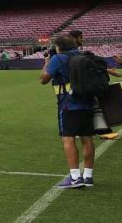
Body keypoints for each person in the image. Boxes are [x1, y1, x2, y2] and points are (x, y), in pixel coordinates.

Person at [41, 34, 95, 189]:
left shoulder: (59, 58)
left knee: (68, 139)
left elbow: (44, 79)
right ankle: (88, 176)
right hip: (87, 101)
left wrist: (46, 62)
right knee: (87, 138)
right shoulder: (84, 55)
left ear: (59, 47)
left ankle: (75, 177)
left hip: (68, 104)